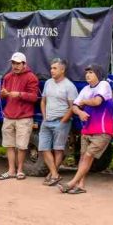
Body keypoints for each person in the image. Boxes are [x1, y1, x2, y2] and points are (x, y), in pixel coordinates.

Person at [59, 64, 113, 194]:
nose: (88, 75)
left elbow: (97, 102)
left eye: (91, 72)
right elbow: (74, 107)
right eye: (87, 72)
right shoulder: (85, 89)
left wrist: (83, 102)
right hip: (87, 129)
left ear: (98, 74)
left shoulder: (104, 85)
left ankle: (72, 183)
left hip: (102, 130)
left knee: (89, 155)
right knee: (83, 157)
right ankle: (81, 185)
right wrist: (80, 113)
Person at [0, 52, 39, 180]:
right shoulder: (7, 77)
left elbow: (34, 97)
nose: (15, 66)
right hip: (9, 115)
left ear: (24, 64)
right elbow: (3, 96)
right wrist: (4, 94)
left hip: (24, 117)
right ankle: (11, 170)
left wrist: (19, 94)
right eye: (13, 63)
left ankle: (20, 170)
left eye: (18, 63)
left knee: (22, 146)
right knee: (9, 145)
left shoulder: (31, 77)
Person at [38, 58, 78, 186]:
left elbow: (73, 106)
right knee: (44, 148)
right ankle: (55, 174)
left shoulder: (69, 86)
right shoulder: (48, 83)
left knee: (58, 149)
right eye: (51, 68)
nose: (52, 71)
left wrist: (63, 122)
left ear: (62, 69)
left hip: (61, 121)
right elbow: (43, 101)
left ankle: (52, 175)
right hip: (47, 121)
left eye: (55, 68)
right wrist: (44, 117)